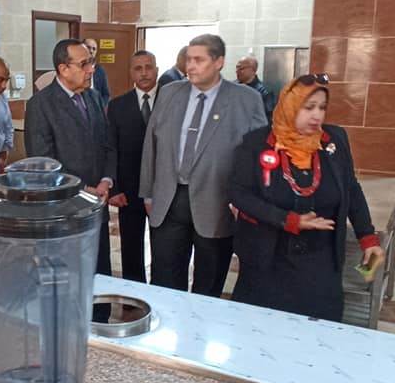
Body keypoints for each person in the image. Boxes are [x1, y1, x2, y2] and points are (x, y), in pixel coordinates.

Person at [230, 75, 385, 321]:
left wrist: (368, 237)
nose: (317, 116)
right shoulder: (256, 143)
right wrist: (287, 220)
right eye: (309, 107)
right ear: (290, 105)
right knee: (263, 326)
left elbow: (351, 190)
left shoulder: (334, 141)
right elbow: (239, 194)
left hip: (320, 259)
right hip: (269, 257)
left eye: (322, 108)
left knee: (319, 327)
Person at [139, 34, 267, 297]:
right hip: (169, 200)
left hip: (217, 202)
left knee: (208, 284)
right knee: (165, 281)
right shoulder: (170, 93)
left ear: (219, 62)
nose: (191, 66)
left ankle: (199, 323)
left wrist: (247, 201)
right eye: (189, 59)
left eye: (199, 60)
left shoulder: (246, 99)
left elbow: (257, 155)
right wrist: (148, 193)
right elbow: (151, 143)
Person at [25, 39, 116, 278]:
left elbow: (108, 144)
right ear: (63, 69)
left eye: (91, 62)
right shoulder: (40, 105)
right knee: (70, 280)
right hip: (64, 213)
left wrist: (106, 180)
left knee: (100, 276)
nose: (91, 70)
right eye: (84, 64)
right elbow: (43, 164)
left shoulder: (94, 98)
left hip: (97, 207)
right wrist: (83, 189)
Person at [108, 50, 158, 283]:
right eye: (138, 68)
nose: (144, 73)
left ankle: (160, 293)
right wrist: (115, 188)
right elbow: (111, 148)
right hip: (128, 191)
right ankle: (134, 293)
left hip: (163, 190)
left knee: (165, 250)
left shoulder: (171, 102)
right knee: (130, 247)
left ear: (156, 70)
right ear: (131, 73)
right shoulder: (118, 106)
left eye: (148, 67)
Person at [235, 55, 276, 123]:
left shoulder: (264, 92)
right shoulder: (232, 87)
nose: (237, 71)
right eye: (237, 67)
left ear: (253, 70)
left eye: (241, 68)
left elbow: (268, 118)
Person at [82, 38, 111, 105]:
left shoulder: (100, 70)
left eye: (94, 49)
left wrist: (101, 107)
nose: (91, 51)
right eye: (88, 47)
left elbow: (106, 94)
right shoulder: (77, 68)